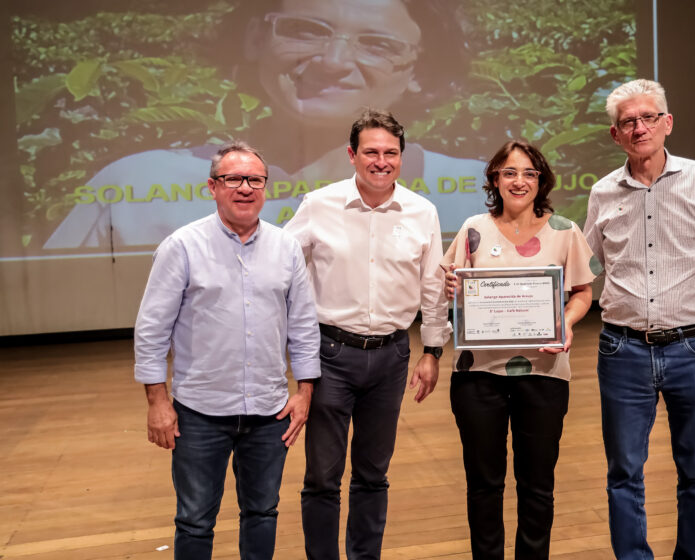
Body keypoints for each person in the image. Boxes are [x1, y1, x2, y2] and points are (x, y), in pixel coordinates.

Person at [43, 0, 486, 251]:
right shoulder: (137, 184)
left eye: (378, 45)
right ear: (256, 38)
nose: (332, 62)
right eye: (305, 30)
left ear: (420, 70)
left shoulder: (473, 193)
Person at [583, 79, 695, 559]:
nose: (639, 128)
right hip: (622, 351)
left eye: (648, 118)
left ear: (667, 123)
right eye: (627, 122)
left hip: (694, 349)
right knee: (623, 474)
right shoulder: (602, 192)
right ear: (615, 136)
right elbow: (583, 268)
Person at [133, 141, 320, 559]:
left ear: (265, 187)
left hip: (269, 413)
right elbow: (151, 330)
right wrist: (157, 402)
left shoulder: (286, 247)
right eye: (233, 179)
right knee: (196, 520)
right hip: (200, 413)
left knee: (262, 512)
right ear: (212, 187)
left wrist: (306, 392)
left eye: (255, 179)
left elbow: (304, 326)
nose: (245, 188)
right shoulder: (181, 246)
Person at [284, 109, 451, 559]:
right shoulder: (318, 205)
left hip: (392, 357)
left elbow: (434, 287)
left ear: (402, 156)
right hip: (329, 354)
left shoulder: (422, 211)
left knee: (373, 474)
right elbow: (281, 269)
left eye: (391, 153)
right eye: (371, 152)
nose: (382, 161)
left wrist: (432, 349)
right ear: (351, 155)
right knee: (322, 475)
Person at [442, 140, 597, 559]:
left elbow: (583, 292)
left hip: (544, 373)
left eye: (529, 173)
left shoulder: (565, 230)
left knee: (537, 485)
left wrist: (566, 321)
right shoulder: (473, 228)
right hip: (477, 375)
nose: (519, 181)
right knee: (483, 484)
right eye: (509, 172)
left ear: (541, 180)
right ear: (495, 178)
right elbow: (451, 290)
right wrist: (453, 289)